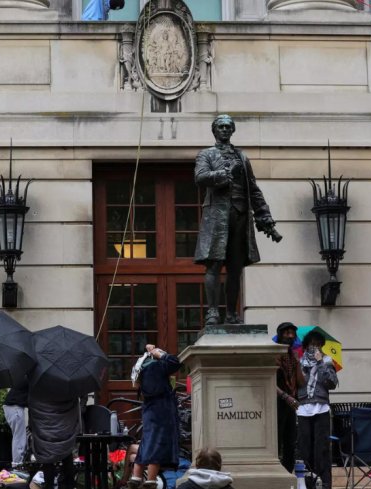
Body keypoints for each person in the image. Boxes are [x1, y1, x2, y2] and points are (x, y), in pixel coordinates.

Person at [194, 114, 281, 327]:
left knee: (235, 267)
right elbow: (200, 177)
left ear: (232, 130)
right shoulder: (206, 154)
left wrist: (264, 215)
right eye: (221, 126)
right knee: (213, 264)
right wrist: (225, 173)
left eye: (228, 127)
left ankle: (231, 313)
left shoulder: (242, 157)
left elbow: (253, 188)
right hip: (217, 216)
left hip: (240, 215)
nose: (224, 129)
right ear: (214, 131)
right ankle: (213, 312)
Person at [128, 344, 181, 489]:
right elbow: (175, 362)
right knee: (157, 443)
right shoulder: (156, 366)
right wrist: (159, 354)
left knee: (147, 441)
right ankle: (151, 480)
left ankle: (136, 476)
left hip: (149, 410)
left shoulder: (143, 369)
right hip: (162, 411)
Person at [297, 331, 339, 489]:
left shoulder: (327, 361)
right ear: (306, 345)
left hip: (321, 407)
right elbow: (294, 384)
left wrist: (321, 364)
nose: (314, 347)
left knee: (321, 448)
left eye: (318, 344)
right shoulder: (299, 362)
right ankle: (307, 483)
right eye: (312, 344)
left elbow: (332, 383)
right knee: (304, 447)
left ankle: (324, 483)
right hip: (302, 408)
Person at [27, 394, 80, 489]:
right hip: (64, 429)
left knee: (48, 458)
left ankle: (49, 485)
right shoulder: (67, 387)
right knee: (66, 454)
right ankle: (68, 484)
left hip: (45, 431)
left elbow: (33, 408)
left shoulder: (39, 387)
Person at [275, 322, 303, 474]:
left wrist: (298, 363)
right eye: (287, 333)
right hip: (277, 403)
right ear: (280, 335)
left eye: (292, 333)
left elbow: (301, 382)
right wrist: (286, 397)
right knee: (277, 440)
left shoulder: (293, 357)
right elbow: (269, 382)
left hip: (290, 404)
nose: (290, 336)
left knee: (290, 441)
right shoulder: (273, 355)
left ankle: (287, 473)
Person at [3, 376, 29, 467]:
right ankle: (17, 464)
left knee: (18, 436)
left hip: (12, 406)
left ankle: (17, 464)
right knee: (19, 437)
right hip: (15, 407)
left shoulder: (25, 375)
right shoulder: (31, 376)